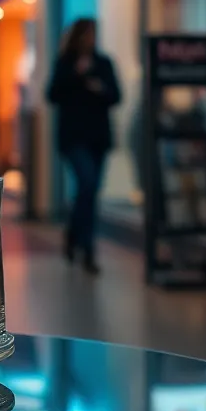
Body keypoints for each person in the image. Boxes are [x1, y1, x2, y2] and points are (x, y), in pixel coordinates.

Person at [46, 18, 120, 275]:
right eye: (87, 34)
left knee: (90, 190)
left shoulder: (103, 63)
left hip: (98, 137)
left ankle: (74, 235)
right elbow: (52, 94)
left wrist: (99, 88)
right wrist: (75, 75)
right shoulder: (65, 64)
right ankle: (86, 248)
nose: (91, 38)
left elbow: (116, 95)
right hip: (74, 138)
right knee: (87, 184)